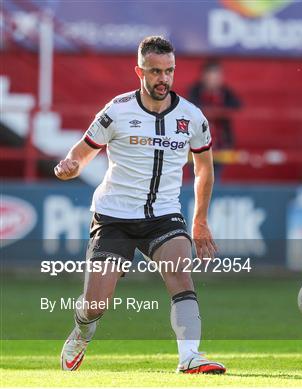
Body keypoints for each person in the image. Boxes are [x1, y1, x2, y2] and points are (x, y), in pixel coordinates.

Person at [55, 36, 225, 374]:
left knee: (180, 272)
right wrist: (69, 166)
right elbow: (81, 153)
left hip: (163, 215)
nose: (163, 79)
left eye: (169, 71)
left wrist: (200, 220)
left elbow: (204, 168)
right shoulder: (116, 110)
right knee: (95, 305)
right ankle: (82, 332)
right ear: (139, 71)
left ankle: (190, 356)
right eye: (155, 71)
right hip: (114, 217)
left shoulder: (192, 117)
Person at [188, 60, 241, 181]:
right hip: (197, 146)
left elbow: (237, 109)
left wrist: (217, 113)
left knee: (215, 182)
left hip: (220, 146)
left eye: (216, 76)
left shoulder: (227, 93)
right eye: (210, 76)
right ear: (204, 76)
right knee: (197, 179)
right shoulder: (194, 92)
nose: (213, 80)